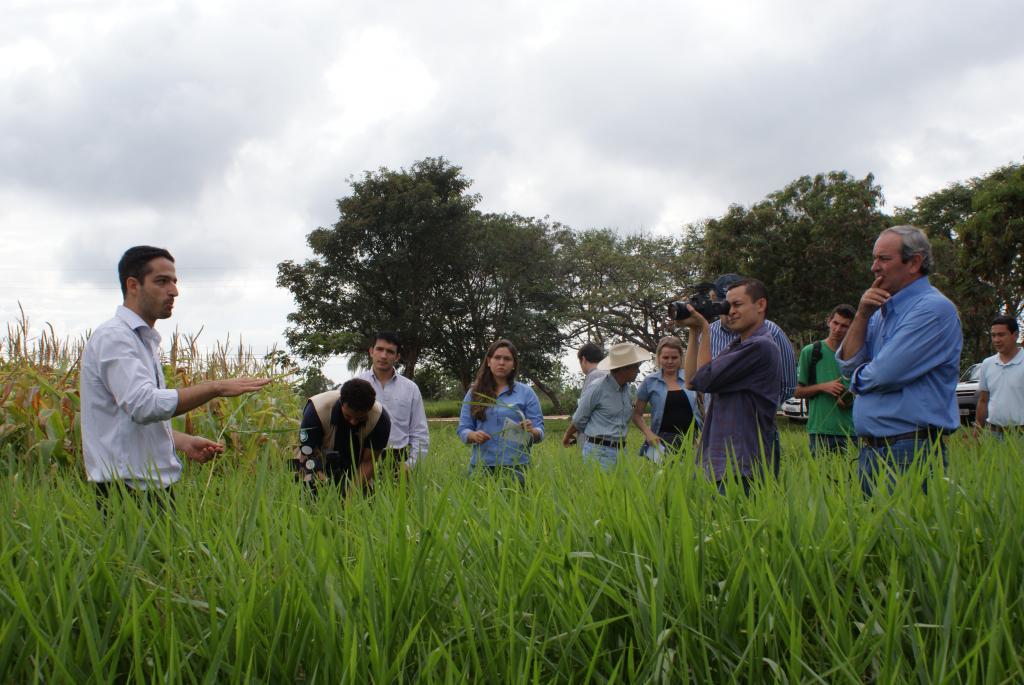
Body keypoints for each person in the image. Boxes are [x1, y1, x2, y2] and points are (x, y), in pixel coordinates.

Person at [80, 246, 270, 501]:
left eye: (174, 282)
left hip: (150, 488)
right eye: (162, 281)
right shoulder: (115, 338)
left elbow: (128, 422)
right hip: (125, 492)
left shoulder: (142, 341)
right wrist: (216, 387)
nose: (174, 291)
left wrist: (182, 441)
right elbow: (144, 405)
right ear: (133, 285)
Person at [837, 226, 962, 496]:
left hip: (909, 450)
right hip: (872, 449)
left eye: (884, 259)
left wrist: (855, 381)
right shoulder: (879, 311)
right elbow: (846, 364)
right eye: (874, 258)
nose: (874, 267)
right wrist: (861, 316)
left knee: (903, 534)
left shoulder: (932, 309)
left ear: (914, 262)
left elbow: (883, 375)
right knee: (873, 535)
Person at [682, 278, 782, 493]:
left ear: (760, 305)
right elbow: (692, 380)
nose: (730, 312)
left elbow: (705, 379)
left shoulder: (760, 346)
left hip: (741, 463)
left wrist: (705, 329)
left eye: (738, 305)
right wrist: (694, 331)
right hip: (723, 462)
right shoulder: (738, 345)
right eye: (727, 306)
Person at [457, 339, 544, 483]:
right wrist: (473, 435)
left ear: (514, 364)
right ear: (489, 361)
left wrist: (531, 431)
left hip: (517, 468)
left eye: (507, 359)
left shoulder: (526, 393)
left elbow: (540, 432)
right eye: (497, 358)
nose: (502, 362)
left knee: (518, 505)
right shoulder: (474, 393)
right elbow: (462, 429)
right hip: (482, 468)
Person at [707, 273, 797, 407]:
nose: (729, 311)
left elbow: (788, 386)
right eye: (722, 306)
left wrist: (760, 410)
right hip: (714, 422)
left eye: (736, 304)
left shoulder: (773, 333)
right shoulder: (707, 334)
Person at [295, 378, 392, 494]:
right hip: (314, 462)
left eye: (360, 418)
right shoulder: (316, 410)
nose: (353, 422)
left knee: (361, 502)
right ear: (341, 402)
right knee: (307, 491)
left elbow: (369, 462)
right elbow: (306, 454)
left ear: (369, 409)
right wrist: (325, 487)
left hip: (357, 467)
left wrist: (350, 494)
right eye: (348, 416)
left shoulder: (380, 419)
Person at [565, 342, 650, 469]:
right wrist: (567, 435)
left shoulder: (626, 389)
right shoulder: (597, 388)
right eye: (635, 366)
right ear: (624, 368)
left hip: (621, 451)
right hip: (598, 452)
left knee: (623, 488)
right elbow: (579, 418)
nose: (638, 370)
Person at [357, 332, 429, 470]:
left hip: (399, 460)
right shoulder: (355, 385)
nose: (384, 356)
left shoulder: (410, 389)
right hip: (361, 457)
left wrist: (411, 464)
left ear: (397, 357)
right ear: (371, 351)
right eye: (379, 349)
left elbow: (419, 432)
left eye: (390, 352)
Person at [794, 304, 856, 456]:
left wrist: (850, 397)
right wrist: (823, 387)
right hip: (820, 431)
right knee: (820, 477)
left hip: (853, 431)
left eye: (844, 326)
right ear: (828, 321)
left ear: (852, 328)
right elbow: (796, 391)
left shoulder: (858, 355)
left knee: (853, 479)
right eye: (835, 323)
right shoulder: (811, 352)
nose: (838, 329)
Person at [632, 336, 702, 462]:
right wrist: (648, 433)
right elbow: (636, 415)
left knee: (692, 479)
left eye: (674, 357)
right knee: (665, 479)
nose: (670, 361)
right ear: (658, 358)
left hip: (693, 441)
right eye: (665, 357)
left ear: (681, 358)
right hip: (661, 442)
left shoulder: (691, 378)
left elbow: (703, 409)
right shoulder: (650, 381)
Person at [976, 315, 1024, 436]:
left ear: (1015, 335)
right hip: (994, 433)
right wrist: (977, 431)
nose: (996, 340)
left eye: (1001, 335)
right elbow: (983, 400)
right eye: (993, 335)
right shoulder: (987, 364)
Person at [561, 342, 607, 446]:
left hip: (594, 442)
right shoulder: (608, 374)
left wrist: (568, 433)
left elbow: (583, 413)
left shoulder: (594, 376)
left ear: (583, 359)